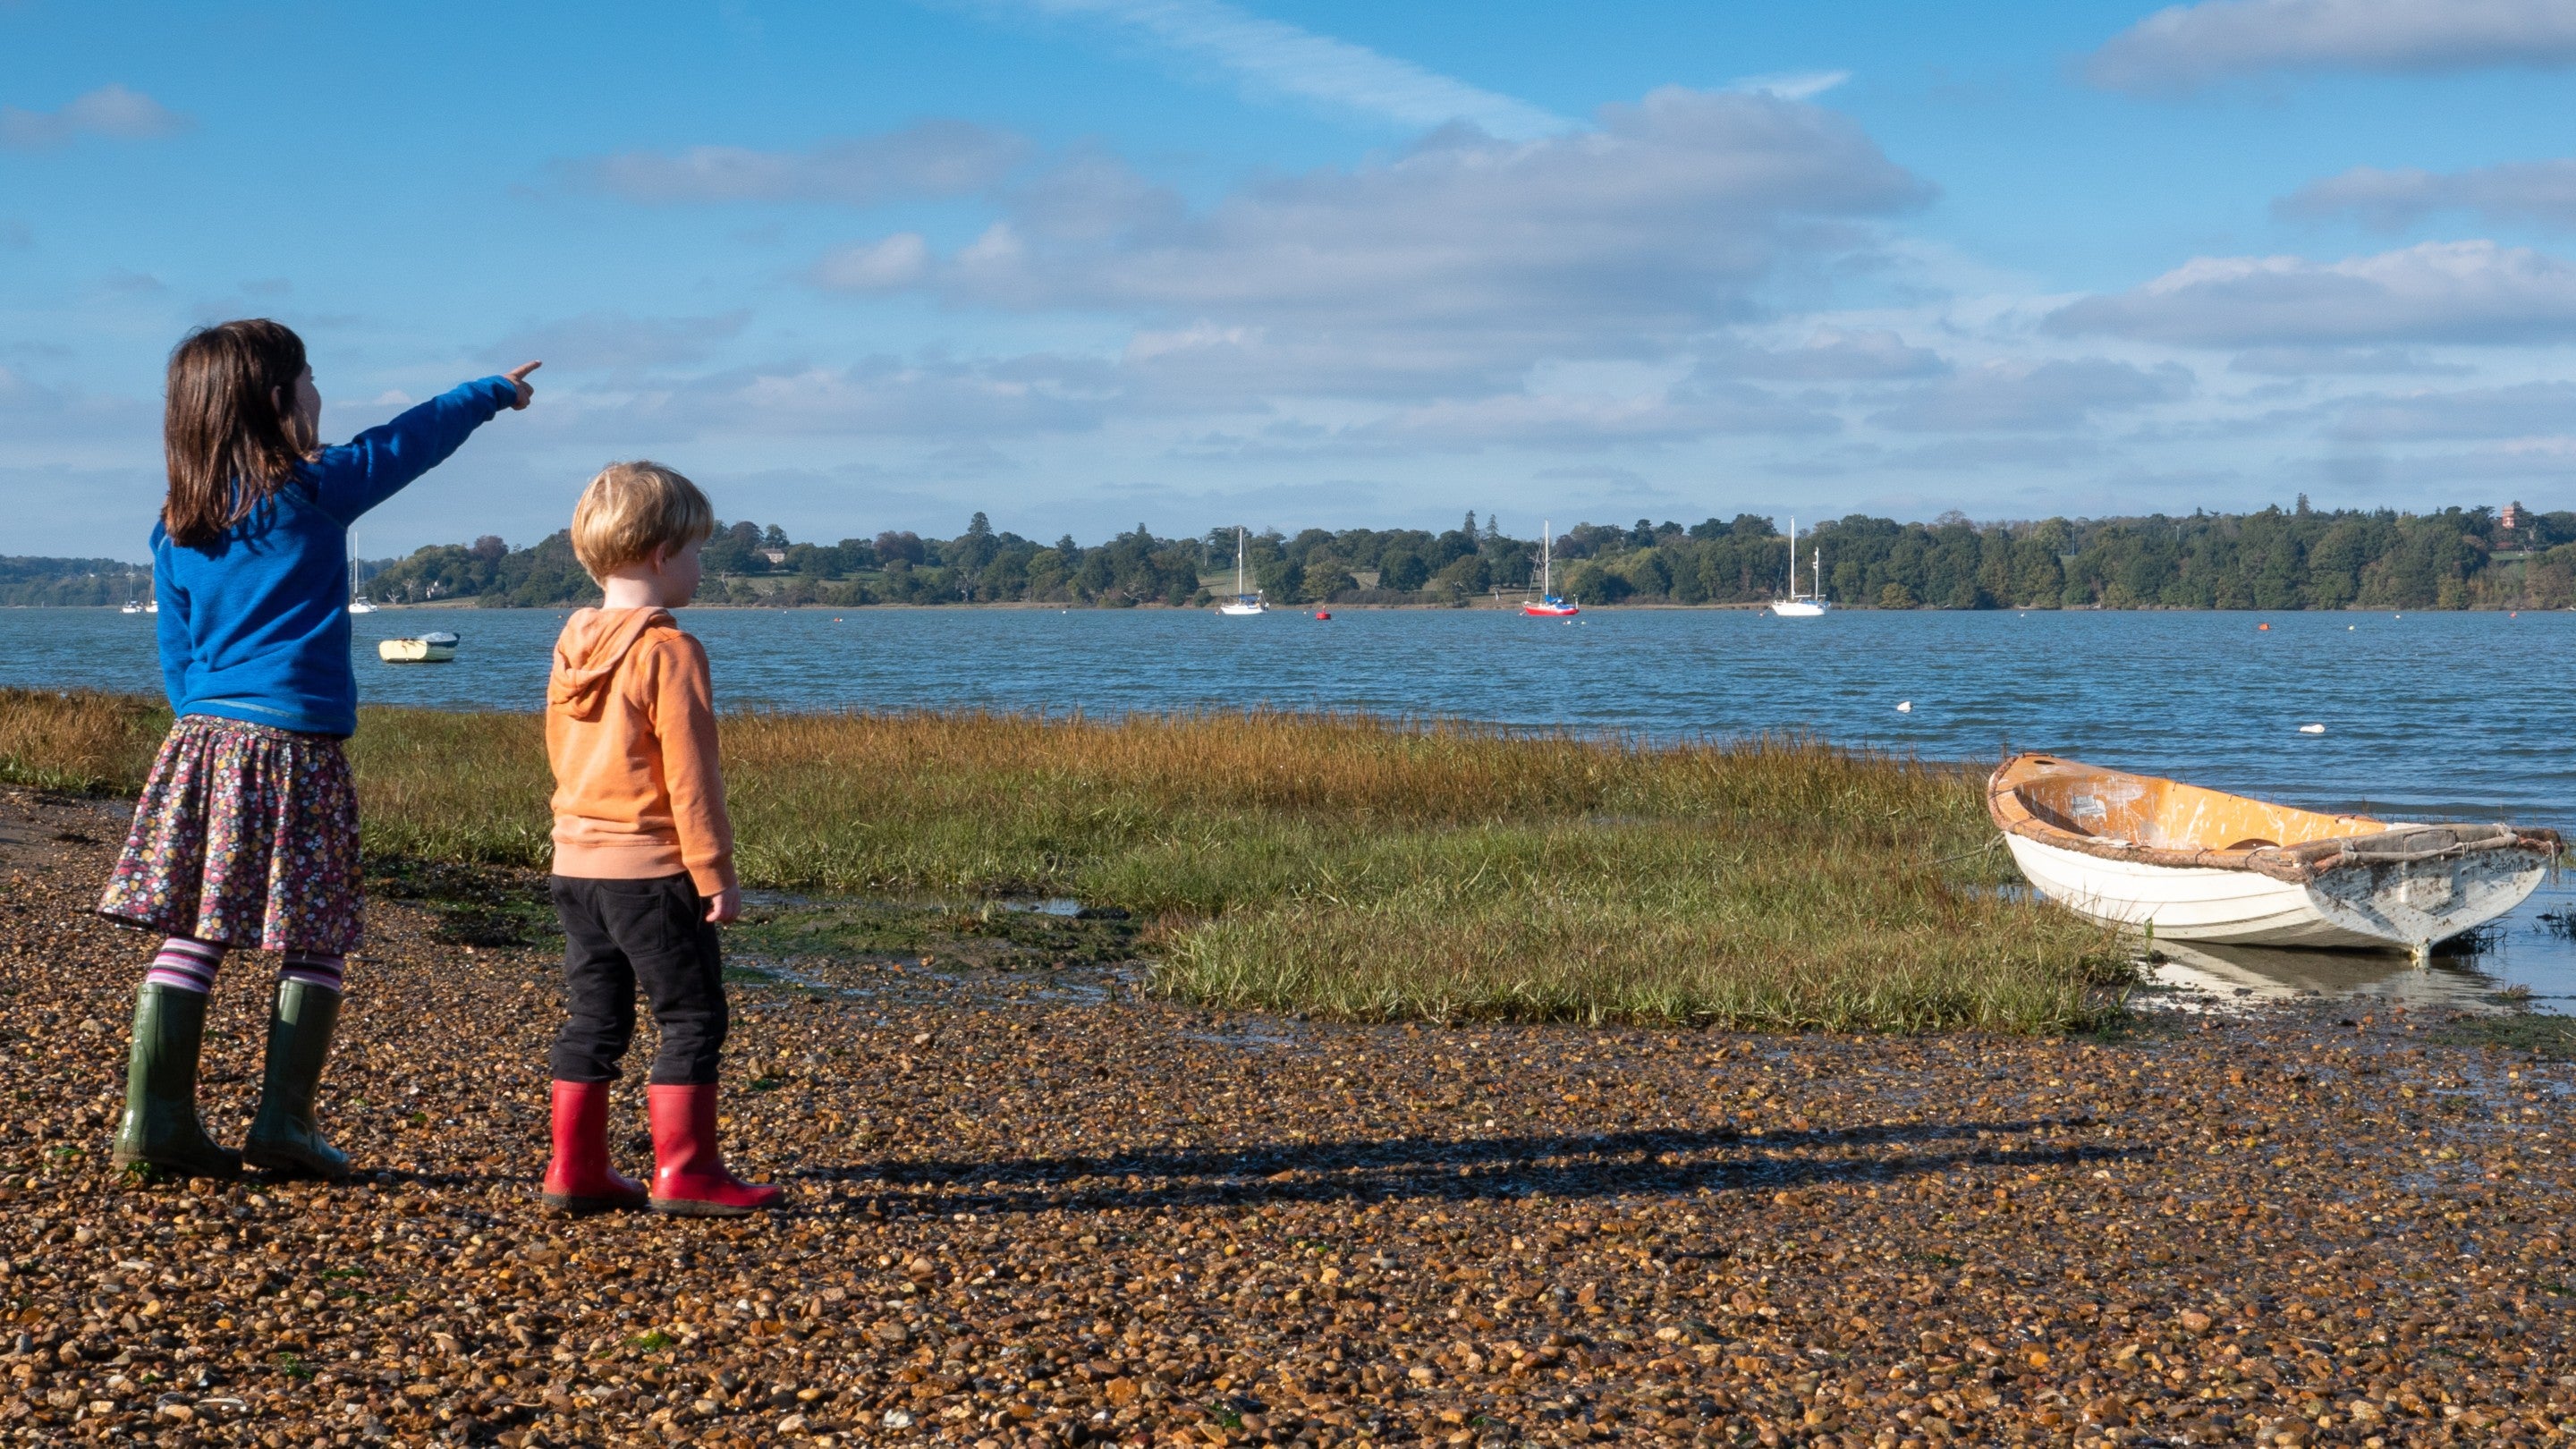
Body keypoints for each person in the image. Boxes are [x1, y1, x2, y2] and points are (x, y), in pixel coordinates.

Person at [100, 318, 538, 1180]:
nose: (320, 396)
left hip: (202, 739)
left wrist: (204, 725)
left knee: (195, 928)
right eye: (311, 381)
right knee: (315, 933)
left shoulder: (176, 521)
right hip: (295, 743)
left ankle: (154, 1124)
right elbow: (406, 443)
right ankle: (283, 1126)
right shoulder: (312, 489)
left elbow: (178, 654)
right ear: (279, 401)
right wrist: (491, 392)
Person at [538, 461, 781, 1216]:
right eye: (697, 552)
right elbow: (691, 777)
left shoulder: (572, 642)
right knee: (692, 1018)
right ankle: (685, 1174)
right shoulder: (668, 651)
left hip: (574, 865)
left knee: (595, 1019)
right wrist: (715, 873)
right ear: (659, 554)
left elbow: (563, 753)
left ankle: (573, 1171)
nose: (702, 569)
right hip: (649, 869)